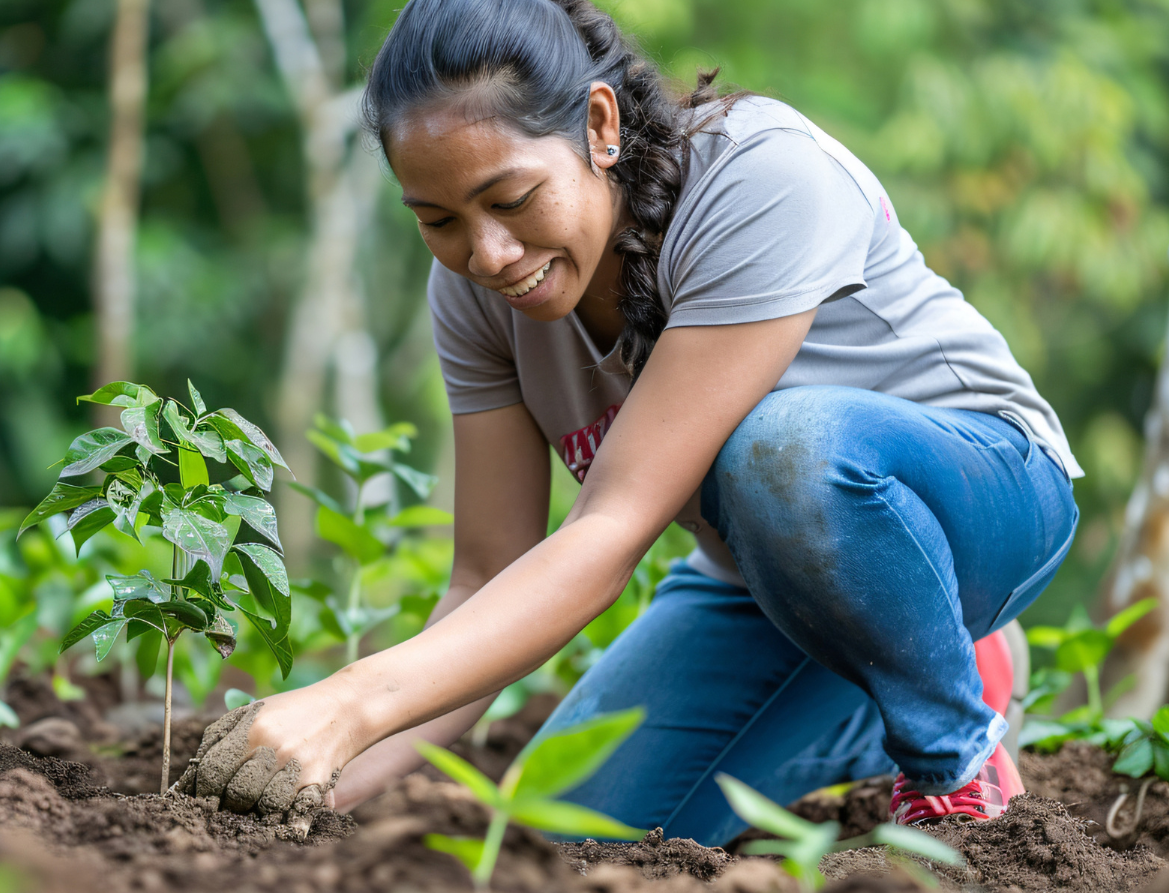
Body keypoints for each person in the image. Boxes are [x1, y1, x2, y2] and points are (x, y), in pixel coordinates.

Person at [178, 0, 1080, 846]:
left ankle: (950, 745)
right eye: (438, 219)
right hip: (761, 585)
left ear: (599, 127)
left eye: (510, 198)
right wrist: (298, 787)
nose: (487, 254)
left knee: (784, 448)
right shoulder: (475, 293)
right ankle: (902, 692)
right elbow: (487, 576)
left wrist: (347, 699)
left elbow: (610, 530)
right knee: (566, 837)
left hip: (984, 499)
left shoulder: (762, 180)